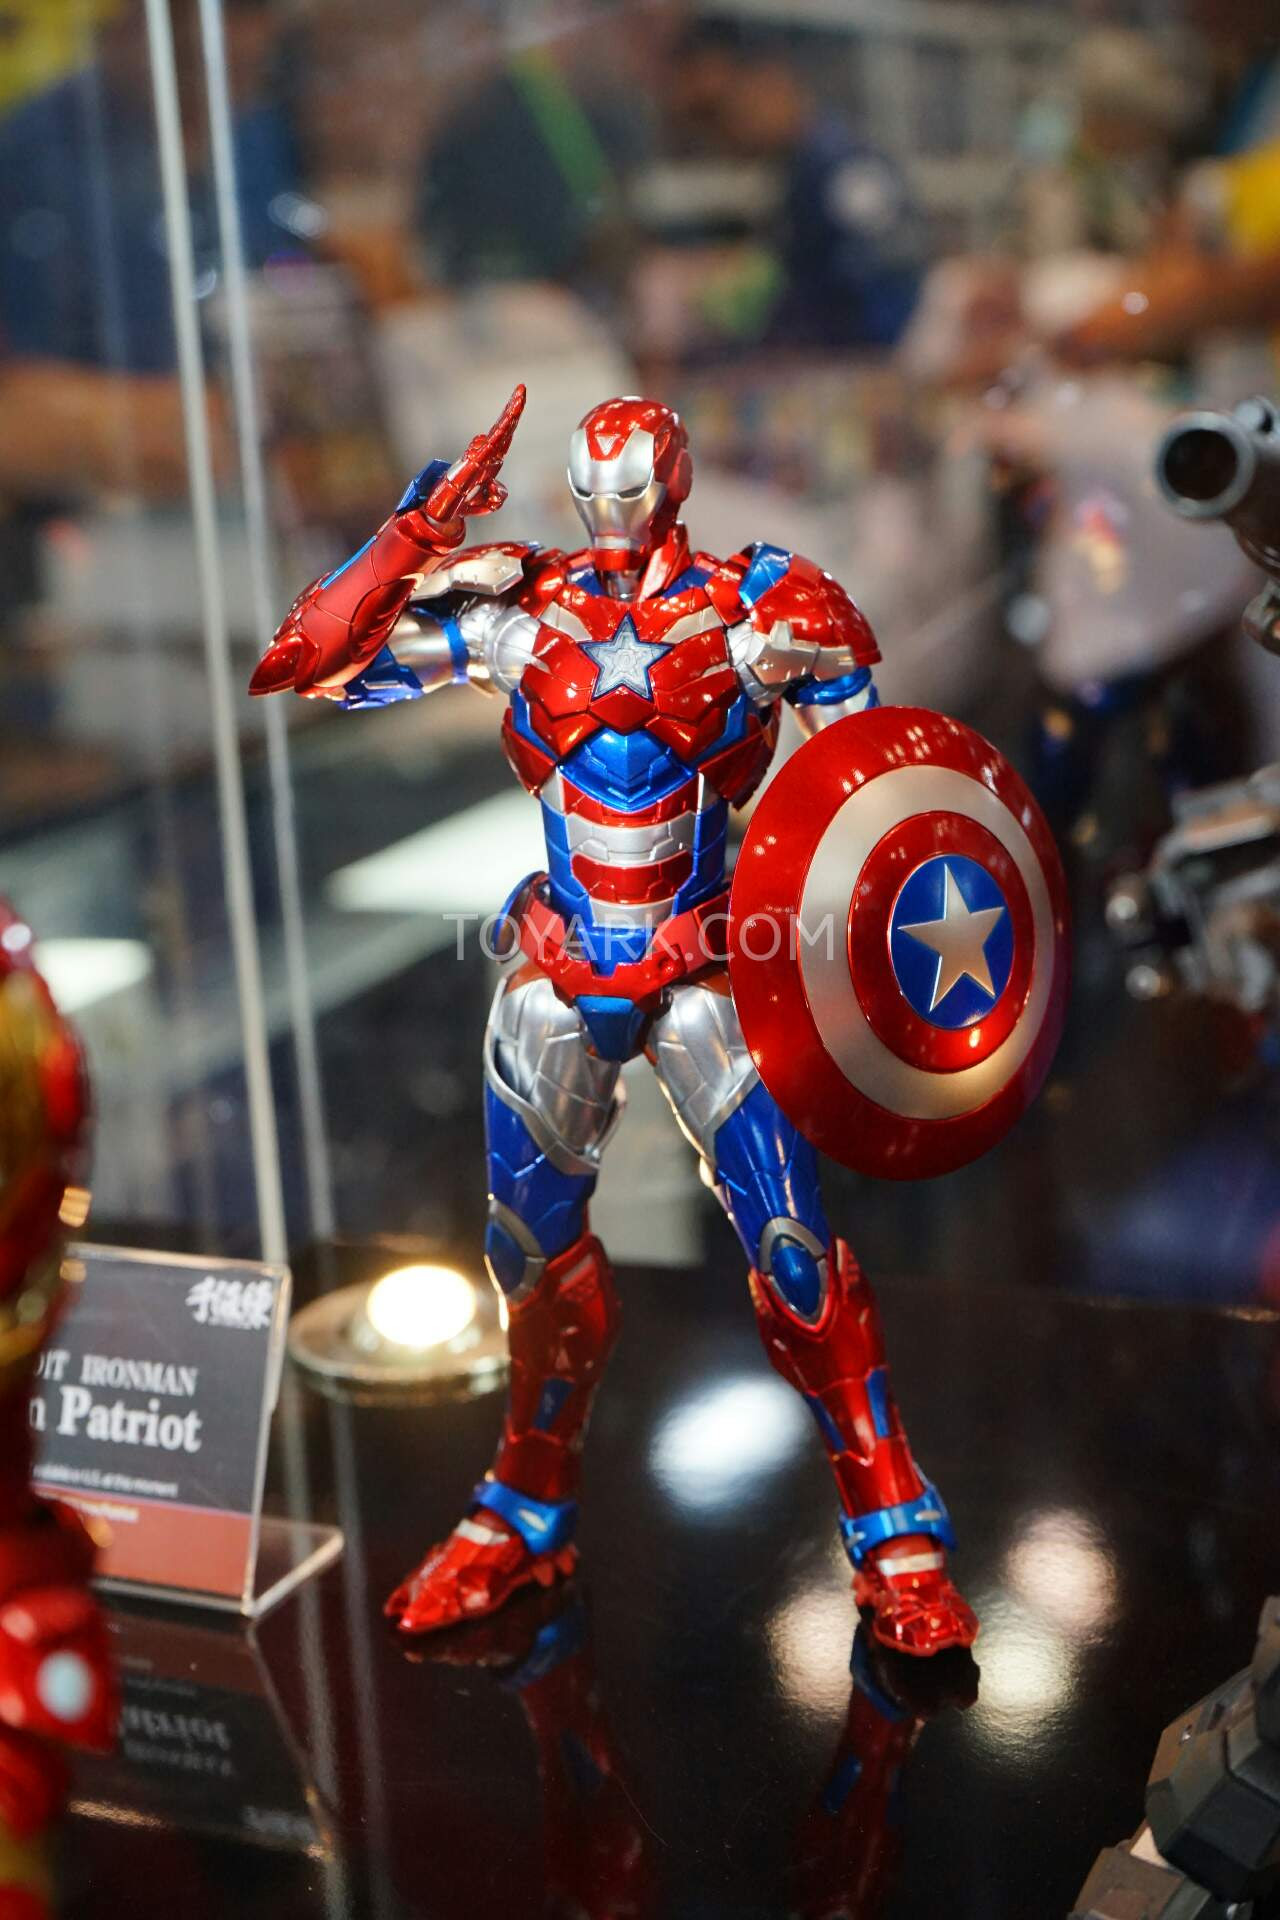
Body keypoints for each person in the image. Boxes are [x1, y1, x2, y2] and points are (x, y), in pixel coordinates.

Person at [249, 388, 981, 1661]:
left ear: (672, 480)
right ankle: (522, 1509)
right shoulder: (517, 609)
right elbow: (304, 665)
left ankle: (894, 1530)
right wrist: (413, 534)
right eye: (593, 488)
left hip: (710, 972)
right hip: (556, 965)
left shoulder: (764, 609)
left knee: (795, 1258)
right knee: (527, 1260)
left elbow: (875, 803)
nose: (610, 509)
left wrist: (875, 969)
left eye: (630, 485)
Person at [668, 16, 925, 351]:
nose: (718, 133)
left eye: (718, 110)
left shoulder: (842, 169)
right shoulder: (799, 172)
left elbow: (884, 307)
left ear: (769, 81)